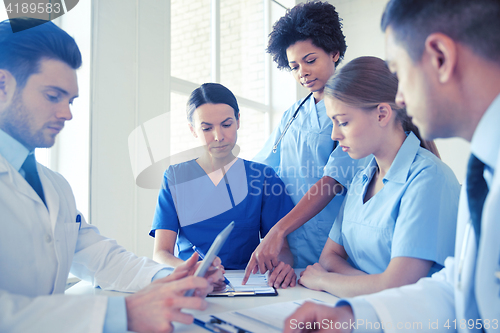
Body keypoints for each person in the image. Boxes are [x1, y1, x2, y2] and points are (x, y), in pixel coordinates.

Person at [284, 0, 500, 331]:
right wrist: (348, 315)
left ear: (440, 57)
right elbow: (458, 289)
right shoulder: (484, 171)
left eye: (399, 72)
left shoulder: (434, 177)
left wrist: (346, 284)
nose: (399, 98)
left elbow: (405, 284)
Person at [0, 18, 222, 333]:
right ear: (3, 85)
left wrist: (172, 278)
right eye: (53, 96)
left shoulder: (53, 186)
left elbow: (101, 259)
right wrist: (119, 314)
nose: (67, 113)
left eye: (71, 100)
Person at [298, 56, 460, 298]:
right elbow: (329, 257)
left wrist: (324, 280)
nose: (334, 135)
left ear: (382, 114)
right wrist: (377, 283)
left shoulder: (428, 179)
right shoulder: (362, 179)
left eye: (343, 122)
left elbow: (400, 289)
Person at [245, 0, 366, 281]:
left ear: (334, 53)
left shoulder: (352, 110)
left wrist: (278, 230)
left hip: (334, 245)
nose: (302, 73)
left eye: (310, 61)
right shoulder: (292, 114)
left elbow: (333, 180)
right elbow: (262, 170)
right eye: (294, 66)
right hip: (290, 248)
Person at [150, 83, 297, 288]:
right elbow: (161, 253)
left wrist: (282, 267)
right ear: (193, 130)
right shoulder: (175, 177)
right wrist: (190, 270)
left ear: (238, 121)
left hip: (248, 285)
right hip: (191, 283)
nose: (218, 136)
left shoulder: (263, 177)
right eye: (207, 128)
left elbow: (282, 250)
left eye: (226, 125)